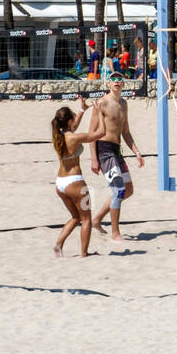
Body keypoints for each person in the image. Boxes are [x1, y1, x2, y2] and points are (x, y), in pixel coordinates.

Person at [50, 97, 110, 257]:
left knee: (75, 217)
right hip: (75, 183)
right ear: (69, 122)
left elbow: (73, 127)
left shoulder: (59, 136)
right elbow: (100, 133)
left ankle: (58, 244)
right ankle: (84, 253)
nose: (75, 117)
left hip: (60, 183)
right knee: (86, 219)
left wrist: (83, 109)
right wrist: (100, 114)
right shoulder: (75, 138)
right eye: (73, 115)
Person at [88, 76, 145, 242]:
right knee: (119, 190)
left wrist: (137, 152)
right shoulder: (102, 103)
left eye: (120, 79)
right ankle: (115, 233)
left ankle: (97, 219)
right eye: (113, 79)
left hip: (116, 149)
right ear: (108, 84)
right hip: (104, 149)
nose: (116, 81)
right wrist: (93, 159)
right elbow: (91, 132)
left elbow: (126, 132)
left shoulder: (124, 104)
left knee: (128, 190)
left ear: (124, 84)